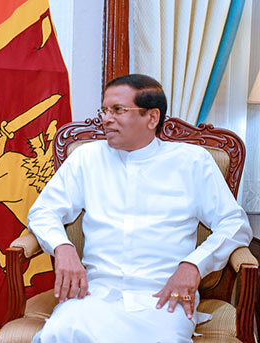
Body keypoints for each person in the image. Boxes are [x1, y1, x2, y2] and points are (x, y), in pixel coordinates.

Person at [28, 74, 252, 343]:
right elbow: (43, 211)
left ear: (152, 118)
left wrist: (194, 265)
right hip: (95, 293)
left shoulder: (192, 162)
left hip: (164, 296)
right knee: (60, 333)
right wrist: (62, 247)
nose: (106, 118)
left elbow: (234, 224)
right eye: (105, 110)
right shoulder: (86, 158)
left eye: (118, 110)